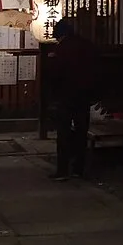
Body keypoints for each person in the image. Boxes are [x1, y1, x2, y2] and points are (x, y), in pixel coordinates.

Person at [47, 18, 97, 180]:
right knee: (82, 131)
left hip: (65, 95)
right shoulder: (87, 45)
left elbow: (55, 74)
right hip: (84, 95)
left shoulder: (61, 49)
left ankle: (62, 170)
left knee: (63, 132)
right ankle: (78, 169)